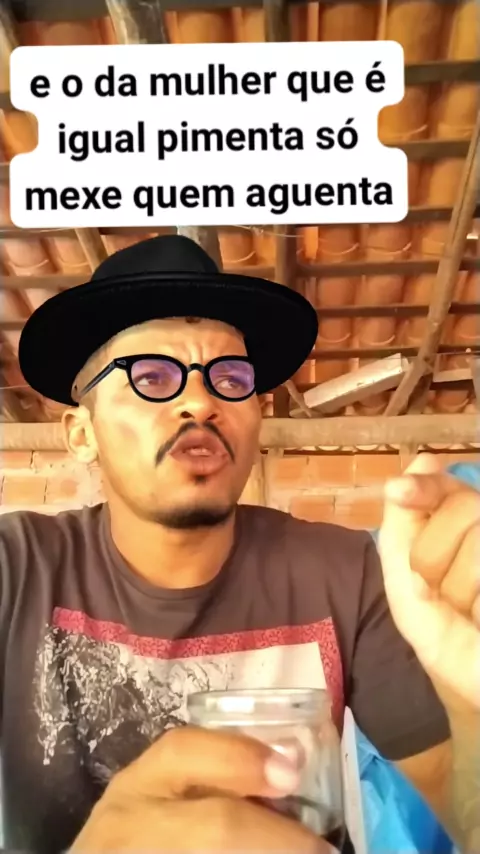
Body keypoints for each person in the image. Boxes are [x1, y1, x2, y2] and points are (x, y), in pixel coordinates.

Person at [1, 235, 478, 854]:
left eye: (230, 378)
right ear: (81, 433)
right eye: (151, 377)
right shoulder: (16, 570)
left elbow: (465, 808)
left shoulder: (345, 572)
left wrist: (470, 703)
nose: (200, 402)